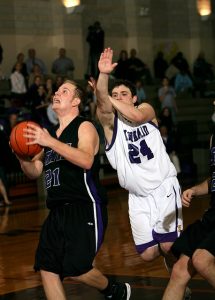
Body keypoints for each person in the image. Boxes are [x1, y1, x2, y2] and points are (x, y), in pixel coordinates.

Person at [15, 79, 131, 300]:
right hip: (57, 211)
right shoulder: (48, 135)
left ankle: (112, 290)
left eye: (64, 91)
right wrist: (22, 158)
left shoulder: (84, 126)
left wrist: (49, 142)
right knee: (47, 268)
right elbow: (35, 171)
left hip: (84, 207)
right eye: (57, 90)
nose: (57, 93)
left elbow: (87, 160)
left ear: (76, 101)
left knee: (75, 267)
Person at [96, 48, 183, 275]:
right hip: (137, 197)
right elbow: (103, 109)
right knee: (146, 254)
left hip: (163, 187)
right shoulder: (111, 126)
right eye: (114, 95)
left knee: (167, 244)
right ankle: (174, 255)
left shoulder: (146, 109)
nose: (118, 98)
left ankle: (181, 274)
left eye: (123, 94)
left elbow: (134, 115)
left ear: (134, 97)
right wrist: (103, 77)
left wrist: (106, 97)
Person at [162, 130, 215, 300]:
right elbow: (213, 180)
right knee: (179, 271)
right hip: (212, 215)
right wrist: (194, 190)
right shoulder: (213, 136)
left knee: (201, 260)